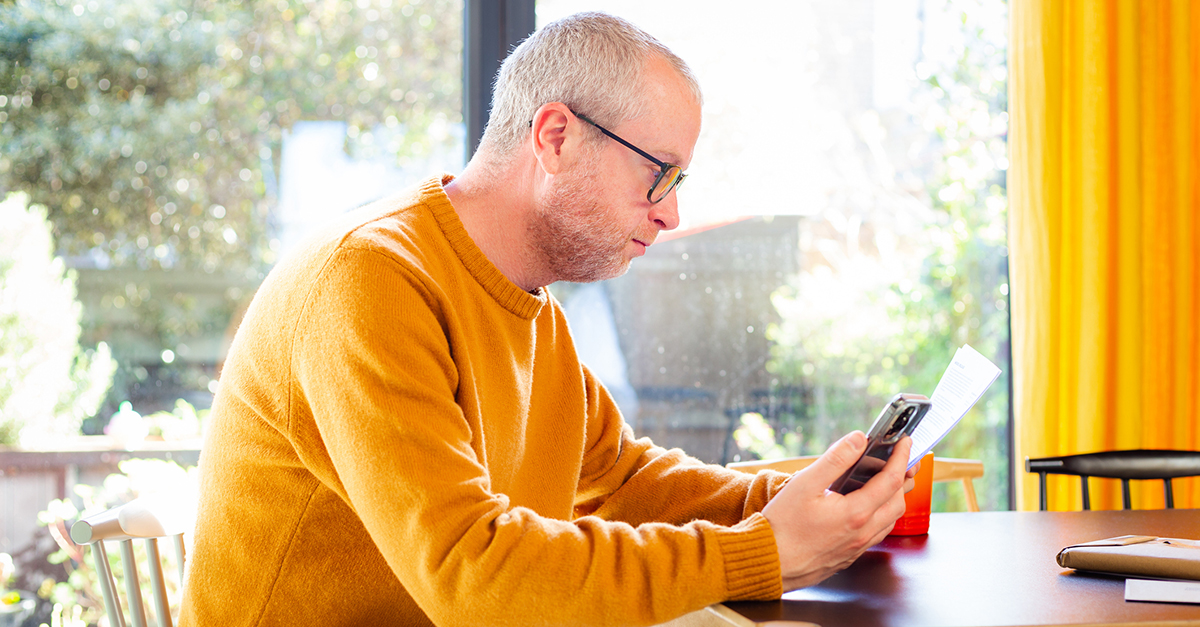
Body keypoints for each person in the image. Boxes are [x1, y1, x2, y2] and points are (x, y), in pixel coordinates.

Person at [179, 11, 915, 627]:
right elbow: (473, 573)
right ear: (555, 136)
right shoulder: (369, 281)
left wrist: (794, 506)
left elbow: (623, 479)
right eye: (658, 171)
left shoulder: (530, 309)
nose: (671, 211)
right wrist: (763, 550)